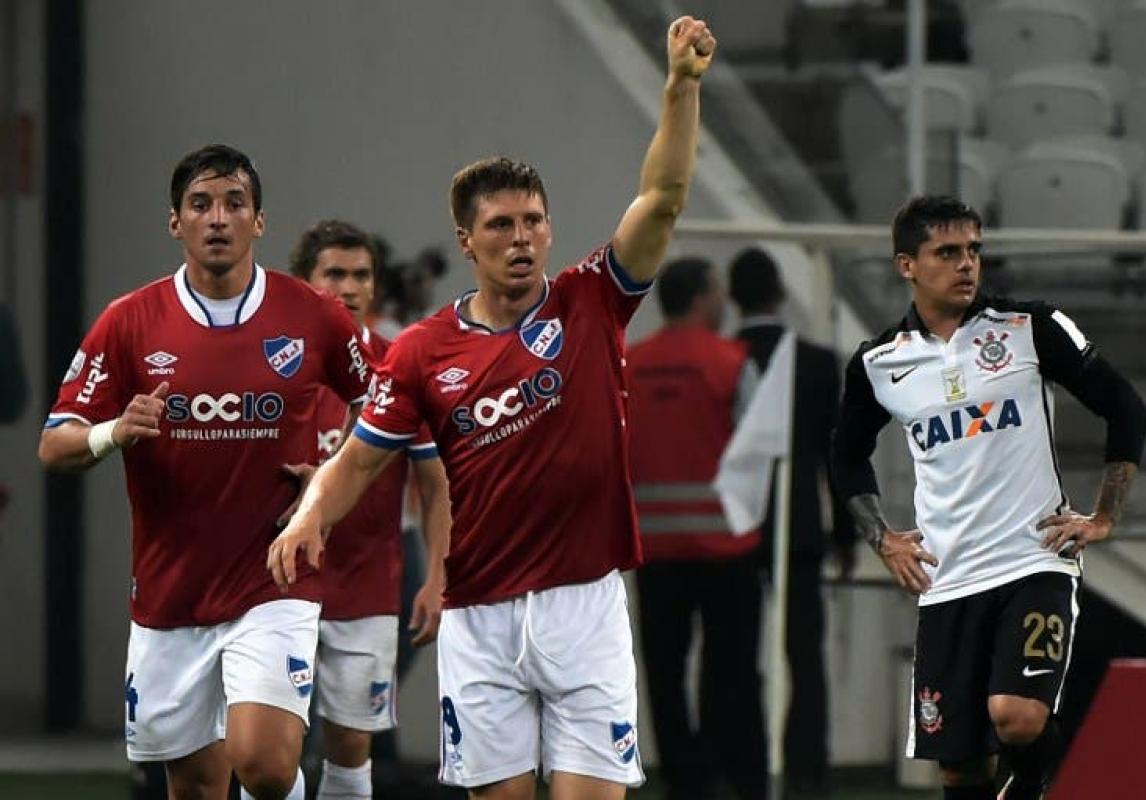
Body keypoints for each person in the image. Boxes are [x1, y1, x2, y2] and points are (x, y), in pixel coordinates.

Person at [267, 16, 717, 800]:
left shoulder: (591, 302)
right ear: (466, 242)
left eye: (533, 221)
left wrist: (680, 87)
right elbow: (361, 460)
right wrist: (311, 518)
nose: (521, 238)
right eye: (501, 225)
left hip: (585, 607)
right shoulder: (421, 351)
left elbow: (663, 197)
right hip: (479, 616)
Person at [38, 144, 373, 800]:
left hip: (274, 575)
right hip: (171, 590)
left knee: (265, 764)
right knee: (194, 786)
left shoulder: (313, 314)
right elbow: (55, 444)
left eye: (234, 203)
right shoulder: (130, 321)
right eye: (200, 204)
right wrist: (113, 432)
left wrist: (331, 479)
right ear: (176, 222)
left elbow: (381, 407)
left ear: (259, 221)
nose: (218, 218)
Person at [830, 196, 1146, 800]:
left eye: (974, 250)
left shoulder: (1031, 328)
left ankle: (1031, 780)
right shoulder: (877, 362)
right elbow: (844, 455)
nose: (966, 264)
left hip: (1033, 561)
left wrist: (1106, 516)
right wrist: (883, 539)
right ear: (907, 265)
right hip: (947, 579)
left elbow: (1126, 407)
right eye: (947, 252)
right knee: (959, 768)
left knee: (1016, 716)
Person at [288, 219, 451, 800]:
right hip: (274, 588)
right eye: (334, 274)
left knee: (352, 744)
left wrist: (437, 576)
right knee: (270, 753)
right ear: (304, 284)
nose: (350, 287)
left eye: (361, 275)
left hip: (367, 584)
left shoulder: (400, 365)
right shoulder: (269, 363)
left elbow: (435, 482)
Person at [626, 257, 766, 800]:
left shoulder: (629, 365)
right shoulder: (732, 362)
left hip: (654, 548)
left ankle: (682, 780)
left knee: (662, 671)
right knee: (728, 668)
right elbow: (758, 452)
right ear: (703, 298)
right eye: (718, 291)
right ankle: (723, 771)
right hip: (726, 547)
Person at [728, 246, 855, 797]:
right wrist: (846, 535)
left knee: (735, 654)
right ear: (780, 293)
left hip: (735, 525)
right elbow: (837, 458)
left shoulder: (723, 358)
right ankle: (807, 769)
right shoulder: (818, 363)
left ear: (732, 298)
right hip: (800, 525)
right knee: (804, 655)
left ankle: (742, 767)